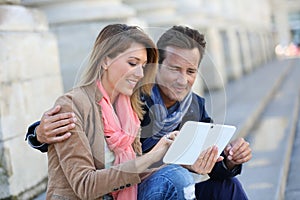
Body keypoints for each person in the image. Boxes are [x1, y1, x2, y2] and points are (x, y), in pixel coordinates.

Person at [26, 25, 251, 199]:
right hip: (120, 189)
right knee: (175, 177)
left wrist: (229, 160)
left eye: (191, 71)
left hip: (137, 188)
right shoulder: (136, 96)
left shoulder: (181, 106)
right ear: (159, 67)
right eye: (174, 69)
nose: (183, 80)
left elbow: (206, 159)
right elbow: (66, 121)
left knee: (227, 188)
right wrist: (38, 134)